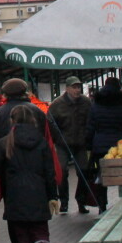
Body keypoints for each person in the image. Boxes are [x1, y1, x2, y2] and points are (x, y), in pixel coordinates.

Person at [0, 105, 58, 243]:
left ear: (12, 121)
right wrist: (53, 196)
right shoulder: (41, 142)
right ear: (33, 121)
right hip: (38, 192)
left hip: (15, 194)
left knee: (22, 233)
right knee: (40, 229)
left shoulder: (5, 142)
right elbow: (49, 171)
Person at [0, 78, 50, 243]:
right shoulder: (38, 112)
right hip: (37, 178)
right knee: (38, 222)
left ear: (6, 93)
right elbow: (48, 139)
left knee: (17, 221)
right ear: (25, 91)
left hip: (11, 177)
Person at [85, 78, 122, 212]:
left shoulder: (96, 104)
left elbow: (90, 127)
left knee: (102, 177)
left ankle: (102, 206)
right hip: (120, 145)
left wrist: (89, 145)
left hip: (100, 144)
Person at [47, 76, 91, 214]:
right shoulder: (57, 104)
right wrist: (56, 138)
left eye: (79, 87)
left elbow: (90, 120)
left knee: (84, 170)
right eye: (74, 87)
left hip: (80, 142)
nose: (77, 90)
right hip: (62, 143)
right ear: (67, 88)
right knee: (62, 171)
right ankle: (64, 202)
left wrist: (88, 137)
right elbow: (49, 122)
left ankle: (81, 201)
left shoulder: (86, 102)